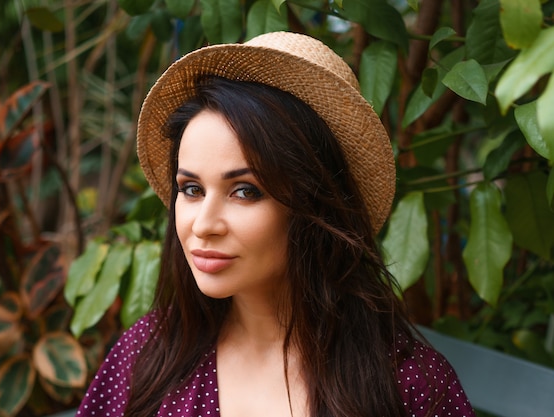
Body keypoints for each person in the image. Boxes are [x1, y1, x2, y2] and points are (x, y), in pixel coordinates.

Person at [76, 31, 475, 417]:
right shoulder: (149, 351)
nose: (203, 225)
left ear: (313, 206)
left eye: (245, 191)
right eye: (192, 189)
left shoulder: (408, 383)